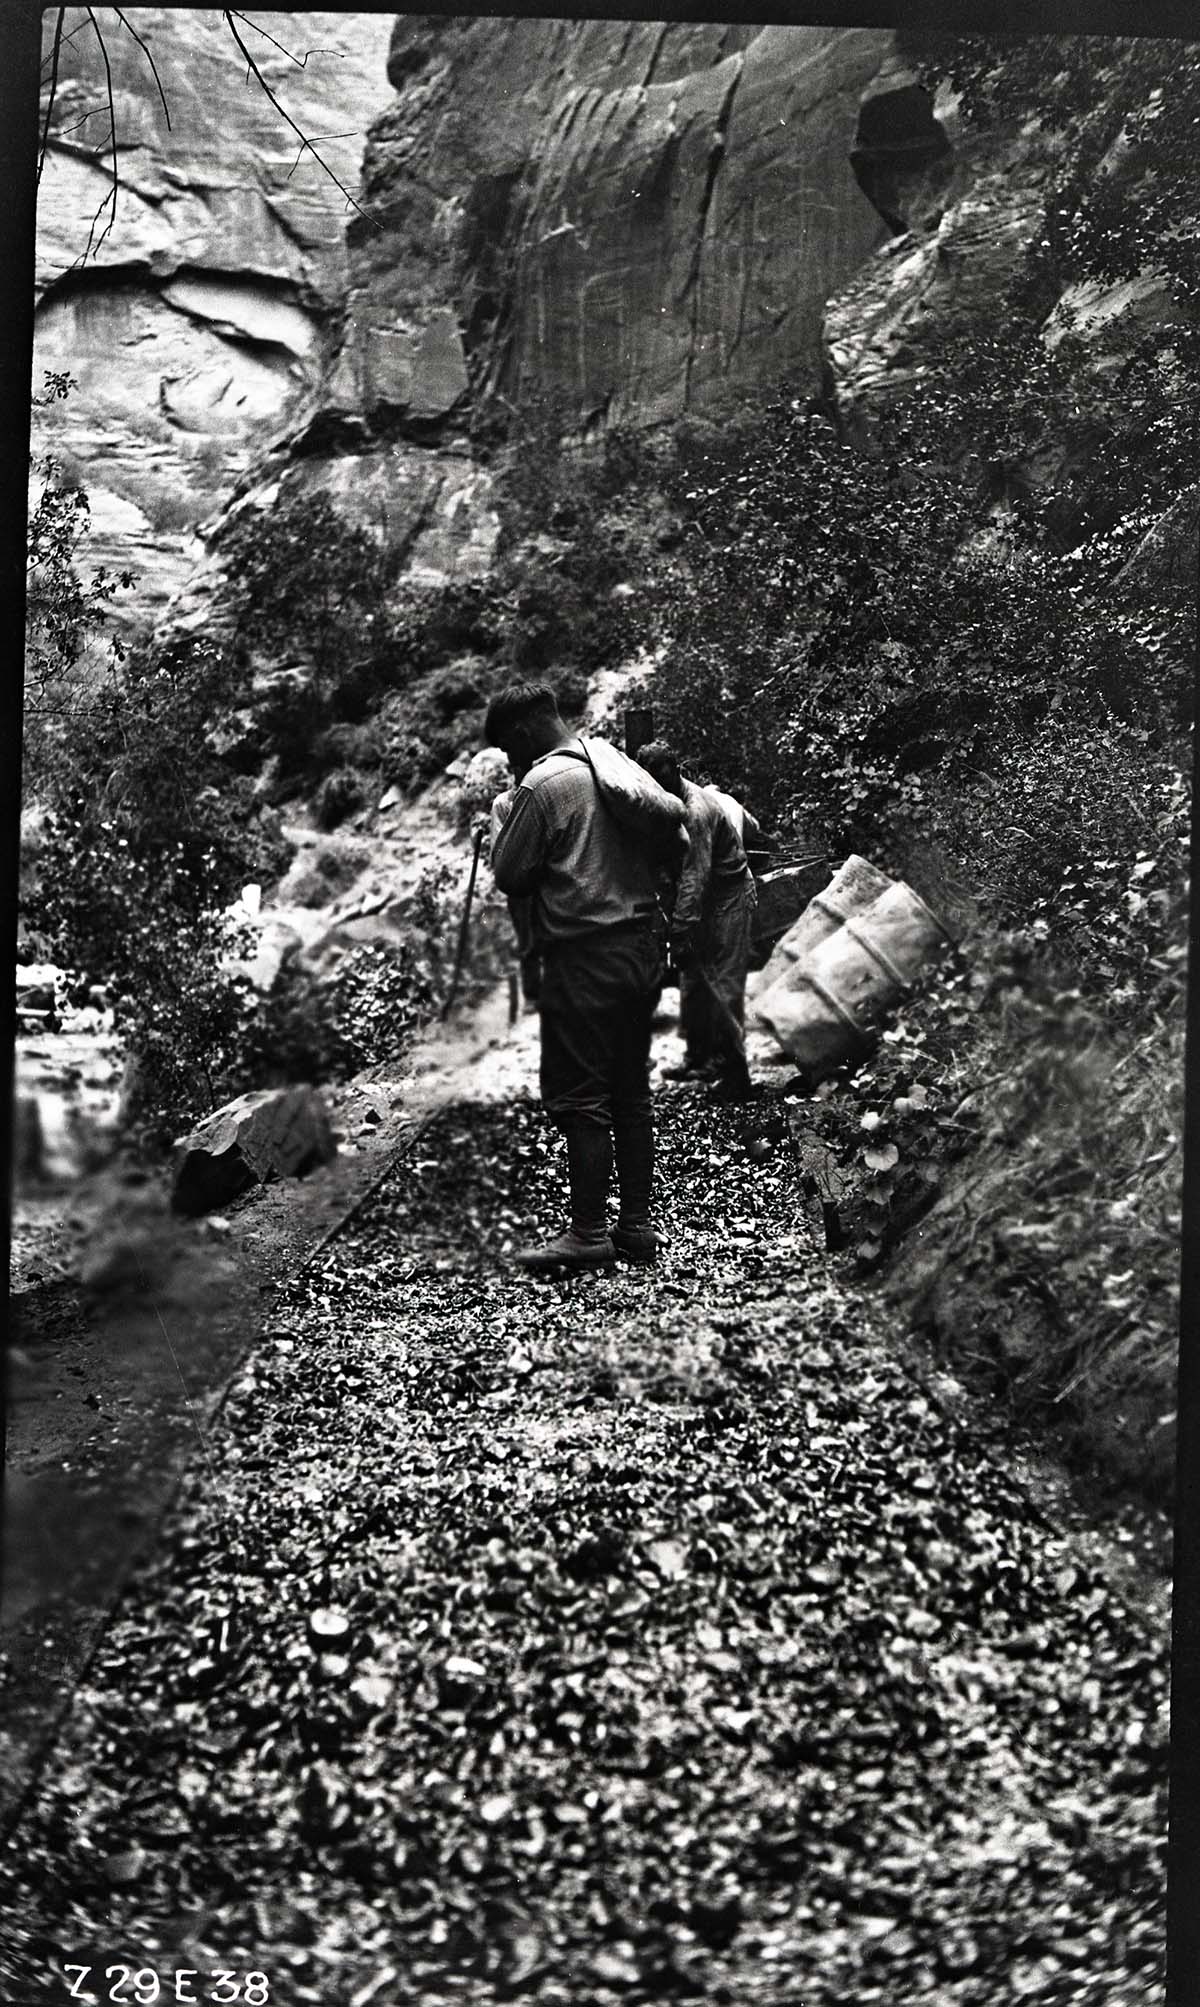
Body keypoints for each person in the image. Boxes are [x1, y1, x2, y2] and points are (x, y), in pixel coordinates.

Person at [485, 683, 686, 1275]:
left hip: (583, 958)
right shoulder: (613, 764)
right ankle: (637, 1227)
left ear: (522, 733)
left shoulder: (543, 785)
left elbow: (511, 875)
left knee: (583, 1097)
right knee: (631, 1091)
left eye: (507, 750)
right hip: (640, 950)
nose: (510, 762)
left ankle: (589, 1233)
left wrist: (503, 828)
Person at [636, 742, 757, 1101]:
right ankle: (699, 1059)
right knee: (694, 981)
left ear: (675, 769)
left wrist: (679, 929)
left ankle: (737, 1079)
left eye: (662, 778)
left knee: (725, 987)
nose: (658, 787)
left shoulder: (696, 811)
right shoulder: (664, 802)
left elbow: (694, 876)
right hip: (705, 900)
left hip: (729, 897)